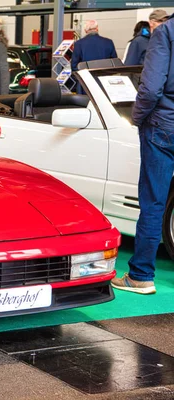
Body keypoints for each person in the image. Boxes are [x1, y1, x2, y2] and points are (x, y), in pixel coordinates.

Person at [111, 12, 174, 295]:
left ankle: (140, 275)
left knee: (153, 200)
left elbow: (150, 87)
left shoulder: (166, 31)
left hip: (163, 126)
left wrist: (137, 117)